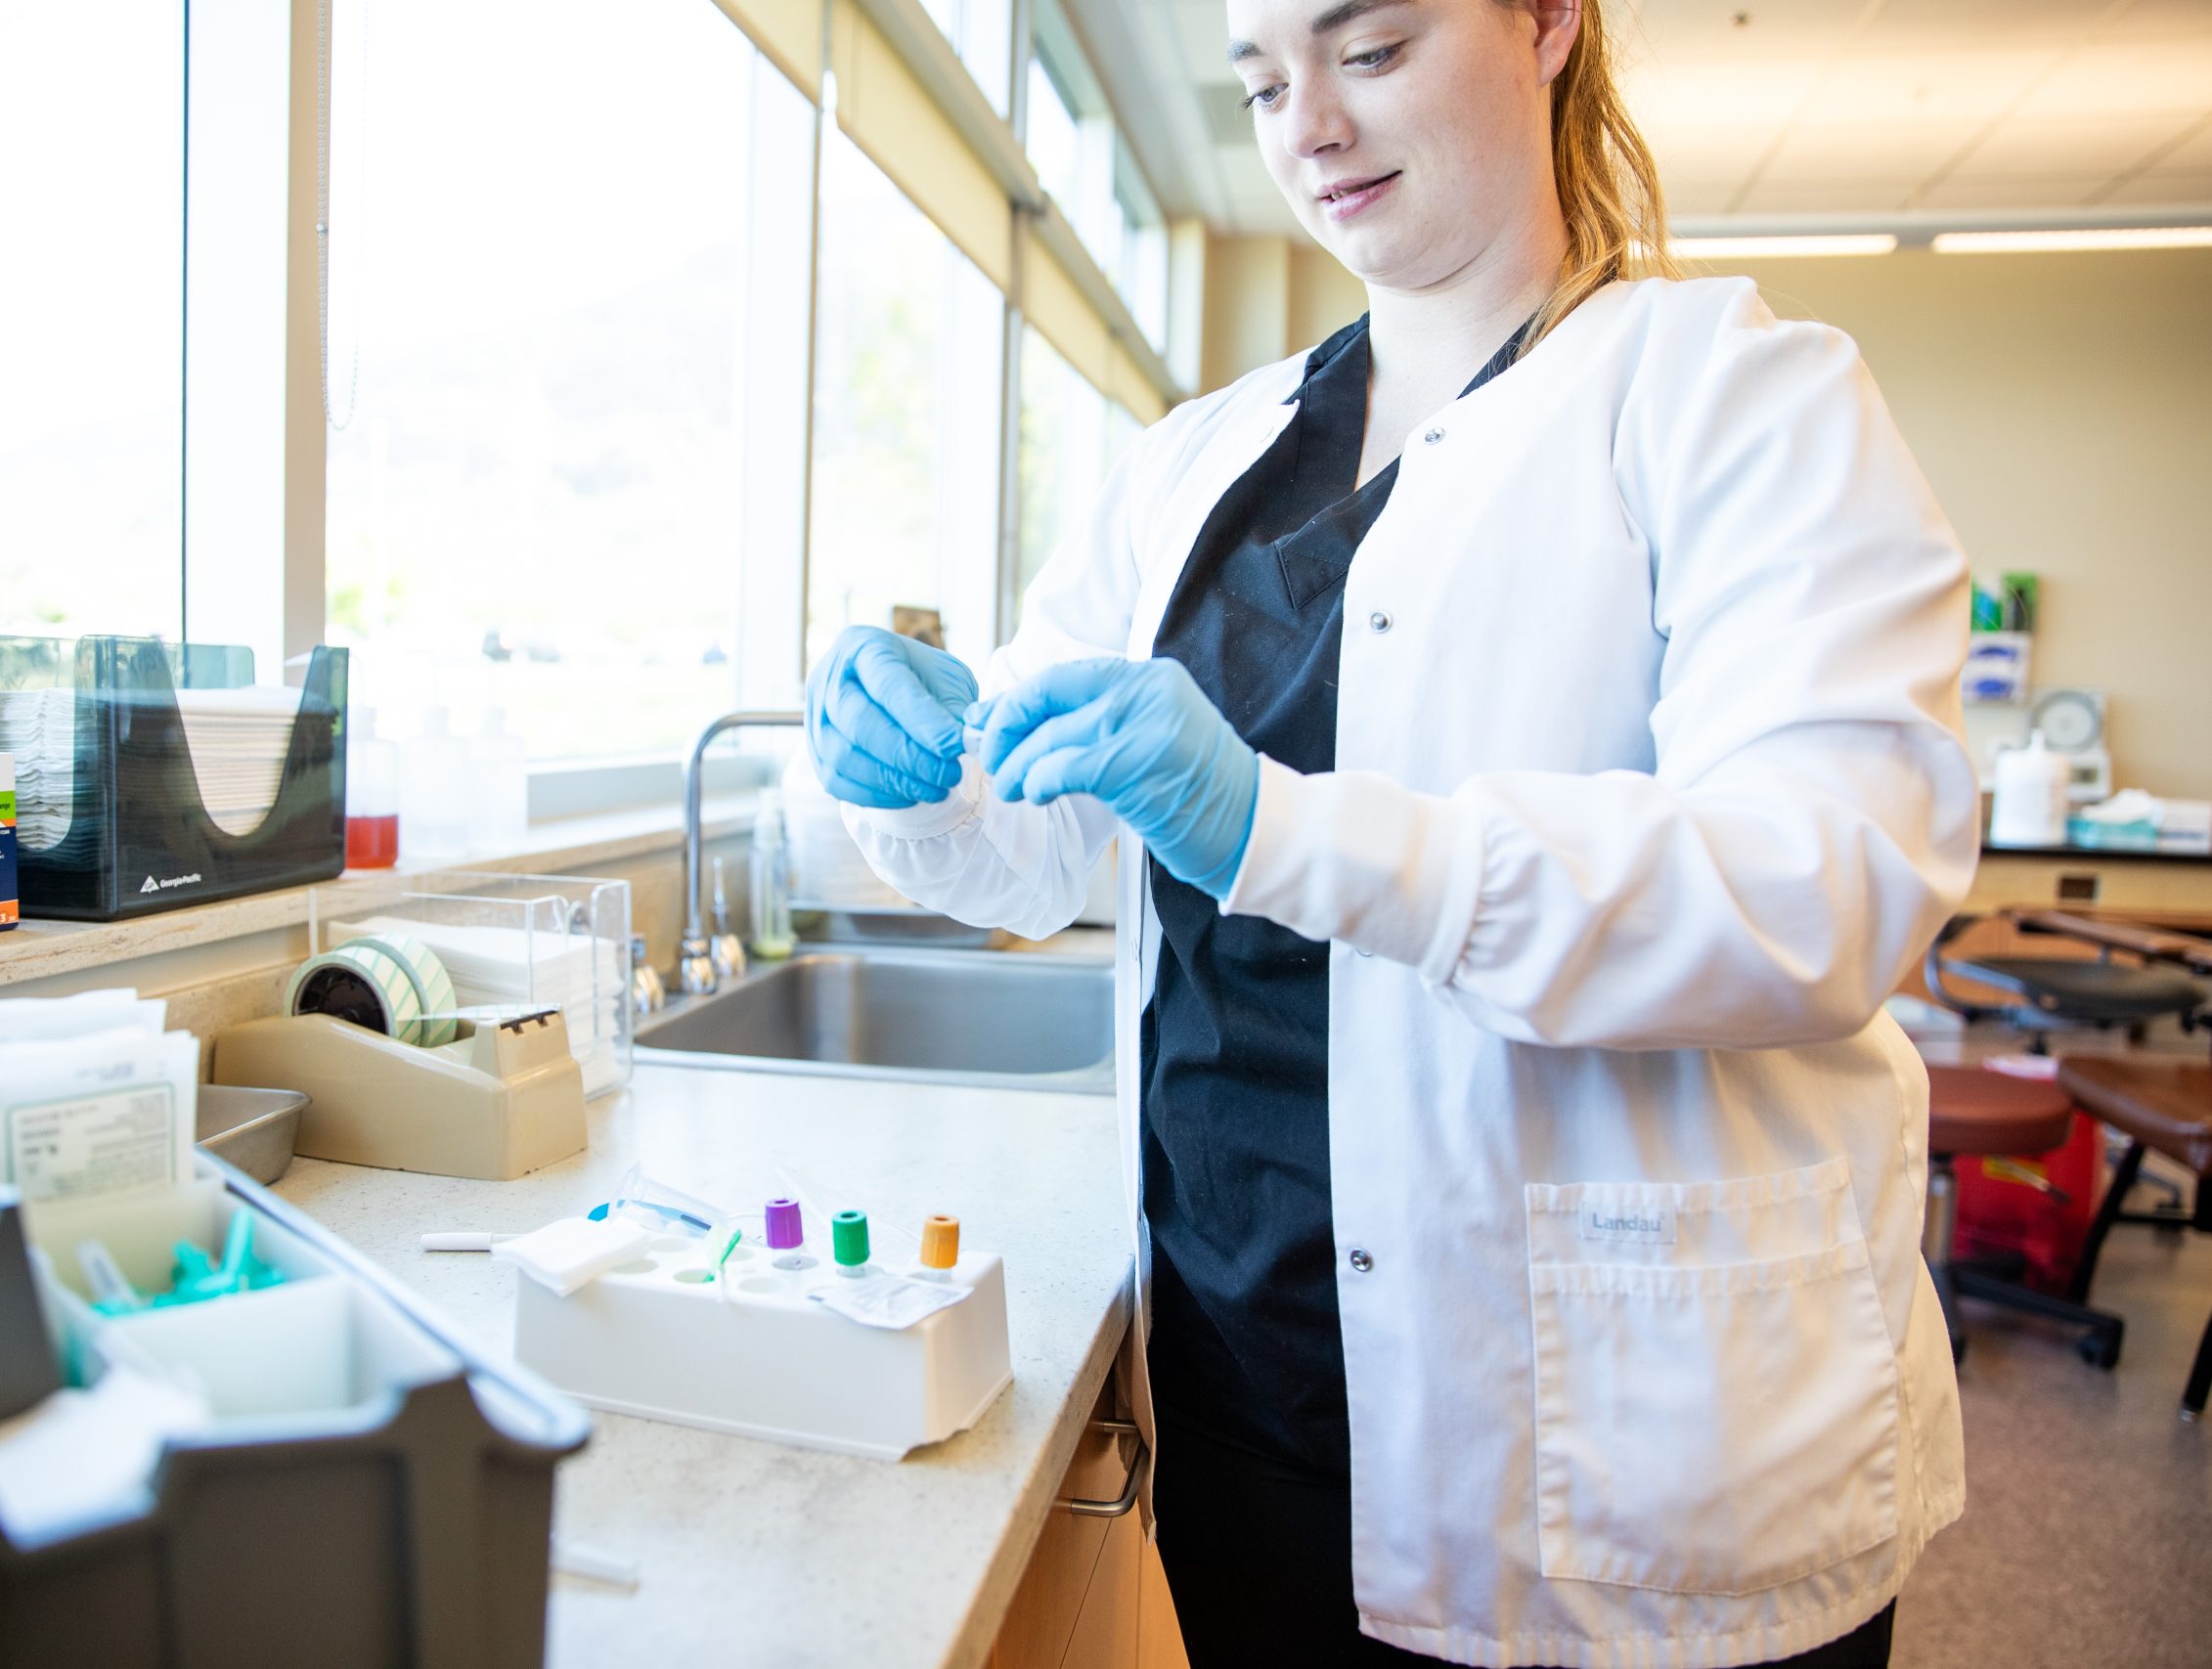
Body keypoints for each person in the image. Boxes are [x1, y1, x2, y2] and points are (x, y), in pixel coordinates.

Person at [803, 0, 1975, 1662]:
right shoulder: (1195, 461)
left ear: (1549, 21)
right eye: (1263, 83)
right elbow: (1036, 848)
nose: (1311, 128)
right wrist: (914, 773)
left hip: (1625, 1448)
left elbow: (1826, 884)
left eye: (1369, 52)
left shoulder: (1738, 396)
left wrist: (1281, 830)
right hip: (1243, 1385)